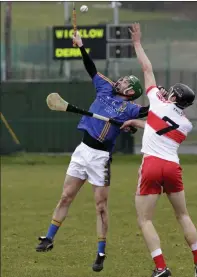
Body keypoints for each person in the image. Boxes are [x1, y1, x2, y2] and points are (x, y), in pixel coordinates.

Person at [35, 31, 149, 272]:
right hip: (82, 151)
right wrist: (81, 47)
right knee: (66, 196)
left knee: (100, 206)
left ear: (131, 92)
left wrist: (157, 105)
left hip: (100, 158)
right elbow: (91, 68)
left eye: (127, 82)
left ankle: (100, 252)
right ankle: (49, 238)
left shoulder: (130, 108)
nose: (121, 81)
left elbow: (149, 112)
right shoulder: (105, 87)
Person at [120, 23, 197, 277]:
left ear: (174, 97)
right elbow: (160, 129)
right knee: (182, 215)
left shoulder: (157, 100)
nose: (166, 92)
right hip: (172, 166)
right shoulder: (186, 124)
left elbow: (147, 69)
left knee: (144, 220)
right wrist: (137, 122)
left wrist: (136, 42)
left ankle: (161, 268)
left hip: (152, 165)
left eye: (172, 92)